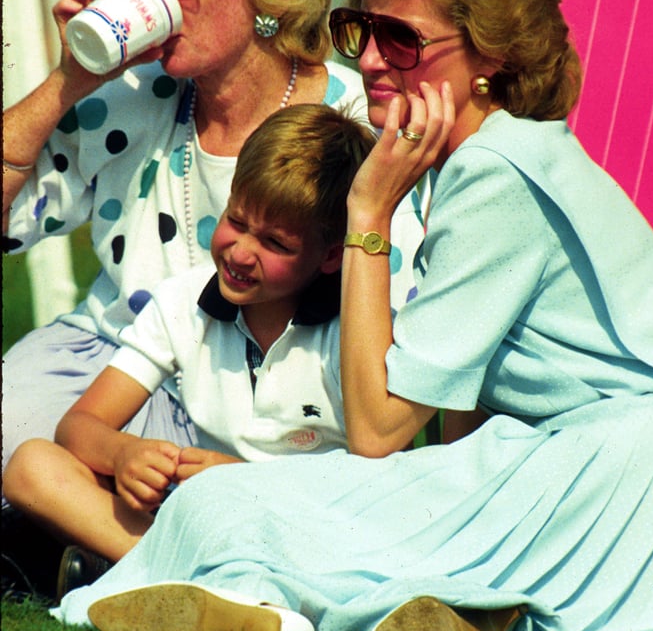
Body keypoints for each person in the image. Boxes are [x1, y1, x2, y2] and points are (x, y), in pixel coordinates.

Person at [52, 0, 653, 631]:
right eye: (360, 30)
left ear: (489, 56)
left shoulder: (494, 173)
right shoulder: (491, 157)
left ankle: (273, 591)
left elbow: (381, 432)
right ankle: (314, 602)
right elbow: (460, 411)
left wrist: (368, 214)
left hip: (629, 467)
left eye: (400, 38)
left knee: (250, 502)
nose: (371, 60)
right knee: (267, 501)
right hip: (576, 455)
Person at [1, 0, 425, 593]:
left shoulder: (351, 122)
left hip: (273, 393)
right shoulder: (133, 98)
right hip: (117, 361)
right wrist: (71, 76)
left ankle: (93, 551)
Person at [4, 103, 376, 573]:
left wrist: (248, 483)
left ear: (329, 257)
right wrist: (123, 455)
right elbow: (79, 425)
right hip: (195, 519)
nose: (241, 252)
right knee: (31, 465)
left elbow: (373, 480)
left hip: (302, 526)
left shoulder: (354, 332)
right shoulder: (183, 302)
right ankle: (199, 580)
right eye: (237, 221)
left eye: (275, 243)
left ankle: (165, 576)